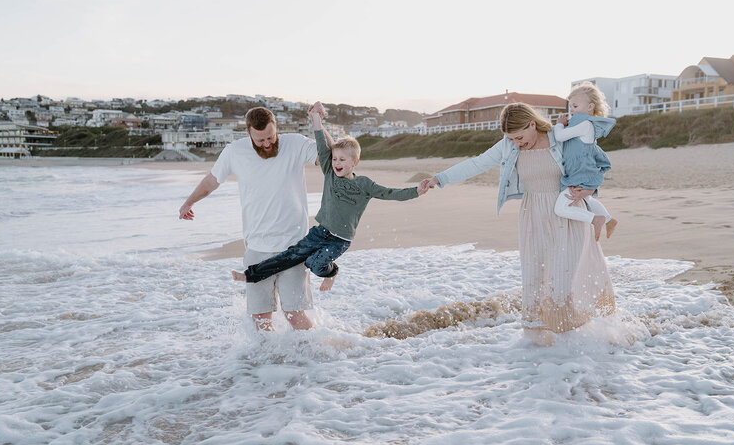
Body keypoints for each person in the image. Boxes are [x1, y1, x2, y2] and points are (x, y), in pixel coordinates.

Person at [423, 102, 615, 347]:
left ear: (532, 124)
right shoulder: (508, 147)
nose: (516, 143)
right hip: (533, 217)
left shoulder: (561, 137)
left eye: (519, 137)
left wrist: (589, 189)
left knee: (563, 279)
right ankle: (540, 349)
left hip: (567, 215)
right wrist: (438, 179)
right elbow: (477, 163)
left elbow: (592, 162)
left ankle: (574, 348)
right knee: (535, 277)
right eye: (511, 139)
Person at [233, 101, 428, 291]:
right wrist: (316, 120)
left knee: (313, 263)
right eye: (335, 159)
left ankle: (331, 272)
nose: (337, 163)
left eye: (342, 159)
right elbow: (320, 143)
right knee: (290, 256)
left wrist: (416, 191)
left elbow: (390, 193)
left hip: (339, 240)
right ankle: (251, 274)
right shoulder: (330, 172)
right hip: (320, 232)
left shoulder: (364, 185)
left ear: (355, 162)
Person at [179, 106, 327, 332]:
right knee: (260, 317)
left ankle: (318, 355)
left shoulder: (295, 144)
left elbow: (330, 158)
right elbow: (212, 180)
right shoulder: (234, 151)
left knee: (294, 314)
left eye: (270, 137)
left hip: (294, 246)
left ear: (276, 127)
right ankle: (270, 365)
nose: (267, 144)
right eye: (260, 140)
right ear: (248, 133)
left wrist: (318, 122)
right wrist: (189, 202)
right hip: (257, 247)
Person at [552, 81, 618, 240]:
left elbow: (559, 136)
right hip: (583, 171)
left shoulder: (586, 125)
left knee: (560, 209)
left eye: (575, 106)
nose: (572, 110)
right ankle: (609, 220)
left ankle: (595, 219)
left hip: (580, 173)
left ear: (590, 107)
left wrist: (559, 125)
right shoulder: (579, 124)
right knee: (587, 199)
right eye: (570, 107)